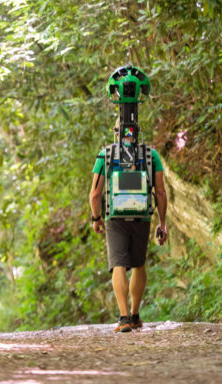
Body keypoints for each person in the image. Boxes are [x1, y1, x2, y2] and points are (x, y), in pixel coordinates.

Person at [89, 120, 167, 333]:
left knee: (119, 265)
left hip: (116, 218)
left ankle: (123, 318)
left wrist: (96, 218)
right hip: (142, 215)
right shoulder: (151, 155)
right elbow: (160, 192)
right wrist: (163, 223)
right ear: (137, 131)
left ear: (116, 132)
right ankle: (135, 315)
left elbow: (95, 193)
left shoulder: (105, 155)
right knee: (139, 263)